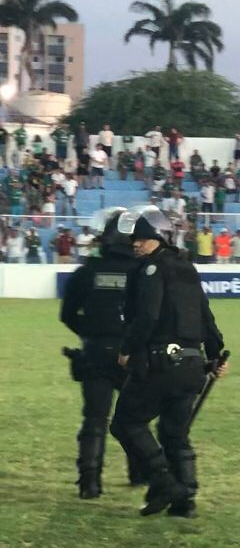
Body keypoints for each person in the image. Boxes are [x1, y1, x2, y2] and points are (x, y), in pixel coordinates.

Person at [111, 205, 227, 517]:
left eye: (142, 238)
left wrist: (128, 349)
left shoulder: (151, 269)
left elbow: (146, 316)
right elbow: (205, 315)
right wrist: (215, 355)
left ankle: (164, 482)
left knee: (126, 423)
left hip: (159, 364)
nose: (135, 243)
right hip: (192, 367)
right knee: (175, 434)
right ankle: (184, 501)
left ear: (159, 238)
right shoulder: (188, 269)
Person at [60, 208, 146, 498]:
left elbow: (68, 314)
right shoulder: (142, 272)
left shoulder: (87, 272)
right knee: (133, 419)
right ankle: (138, 473)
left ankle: (90, 482)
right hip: (131, 354)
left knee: (95, 420)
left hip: (95, 353)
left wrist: (91, 334)